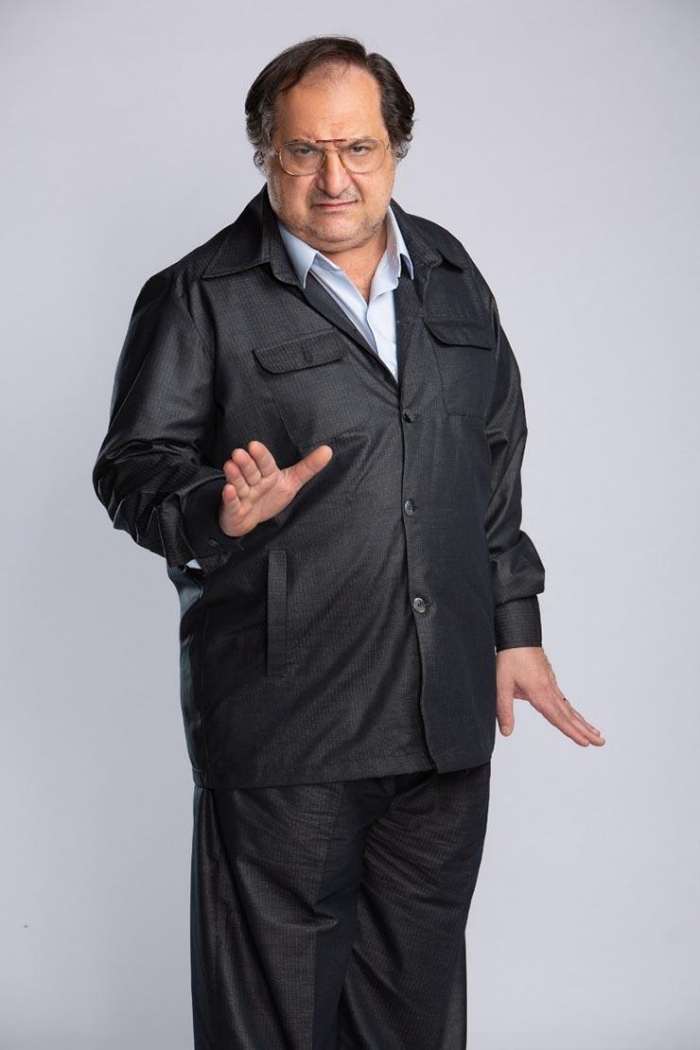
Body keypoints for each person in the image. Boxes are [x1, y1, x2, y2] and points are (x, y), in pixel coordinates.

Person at [93, 35, 605, 1050]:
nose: (335, 178)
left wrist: (515, 629)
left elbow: (492, 462)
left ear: (395, 149)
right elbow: (132, 467)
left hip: (441, 719)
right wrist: (216, 508)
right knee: (275, 1023)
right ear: (266, 155)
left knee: (412, 1016)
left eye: (359, 148)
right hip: (288, 722)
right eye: (304, 151)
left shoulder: (450, 275)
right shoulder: (200, 294)